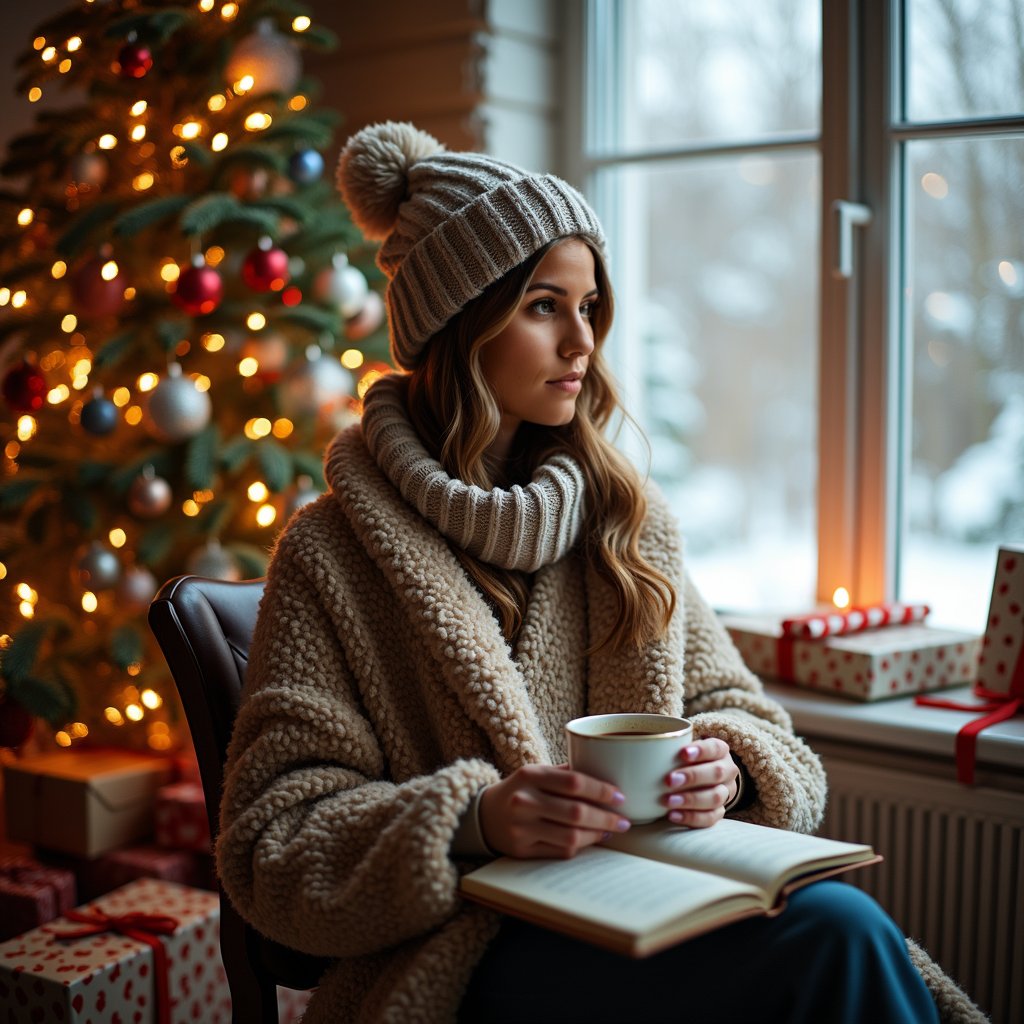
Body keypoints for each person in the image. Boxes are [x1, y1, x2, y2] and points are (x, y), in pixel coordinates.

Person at [216, 122, 983, 1024]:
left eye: (588, 307)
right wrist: (474, 821)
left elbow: (749, 716)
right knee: (832, 943)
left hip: (652, 908)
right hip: (466, 955)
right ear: (463, 321)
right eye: (545, 305)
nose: (582, 341)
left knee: (839, 924)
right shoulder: (333, 555)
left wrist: (728, 769)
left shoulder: (626, 526)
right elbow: (273, 845)